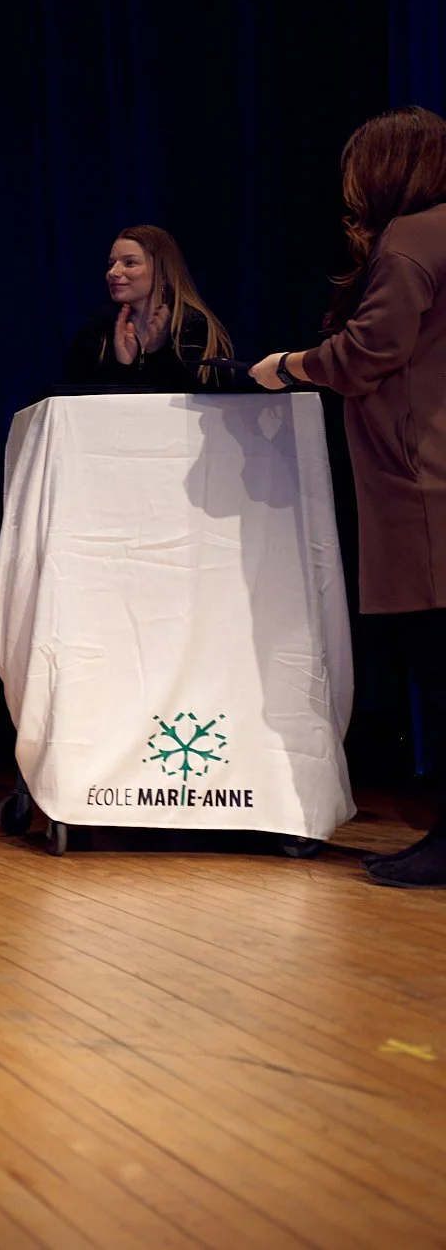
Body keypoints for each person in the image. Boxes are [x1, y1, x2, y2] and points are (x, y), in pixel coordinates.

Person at [251, 106, 446, 888]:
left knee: (437, 665)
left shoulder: (410, 239)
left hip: (425, 483)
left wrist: (290, 365)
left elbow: (372, 349)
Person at [63, 225, 235, 390]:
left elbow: (207, 404)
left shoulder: (194, 329)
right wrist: (123, 367)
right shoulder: (96, 331)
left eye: (129, 263)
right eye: (111, 264)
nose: (113, 272)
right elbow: (74, 405)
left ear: (162, 273)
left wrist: (158, 354)